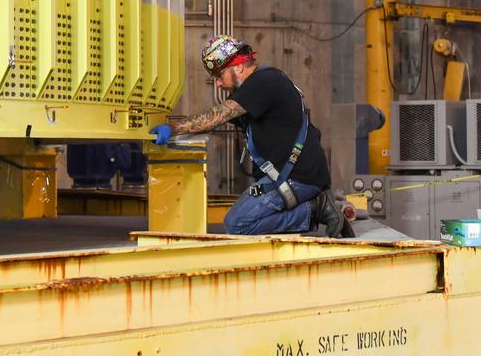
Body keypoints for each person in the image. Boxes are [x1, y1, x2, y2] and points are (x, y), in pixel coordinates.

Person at [149, 34, 351, 238]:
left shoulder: (263, 82)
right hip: (286, 176)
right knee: (239, 220)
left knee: (238, 224)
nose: (218, 84)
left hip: (297, 178)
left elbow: (216, 116)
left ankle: (316, 208)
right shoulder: (252, 89)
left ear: (238, 66)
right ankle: (314, 207)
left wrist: (173, 127)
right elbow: (213, 120)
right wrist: (185, 126)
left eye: (220, 75)